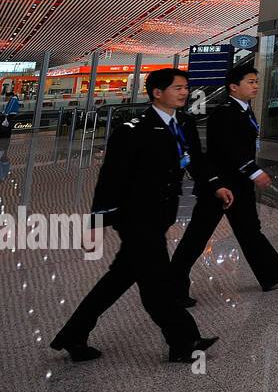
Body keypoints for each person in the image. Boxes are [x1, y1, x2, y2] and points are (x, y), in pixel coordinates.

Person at [52, 69, 220, 363]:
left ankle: (74, 334)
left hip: (161, 214)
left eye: (185, 88)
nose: (184, 92)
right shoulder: (132, 129)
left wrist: (216, 185)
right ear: (157, 92)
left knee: (119, 278)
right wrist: (97, 222)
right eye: (177, 88)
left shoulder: (183, 122)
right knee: (157, 284)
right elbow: (111, 178)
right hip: (135, 216)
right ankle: (183, 341)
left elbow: (196, 160)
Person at [171, 64, 278, 306]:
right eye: (250, 82)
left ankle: (271, 273)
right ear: (233, 86)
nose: (255, 86)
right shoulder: (225, 113)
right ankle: (172, 287)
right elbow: (230, 150)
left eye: (255, 81)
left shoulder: (244, 110)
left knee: (249, 229)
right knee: (198, 236)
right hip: (220, 187)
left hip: (238, 185)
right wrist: (254, 171)